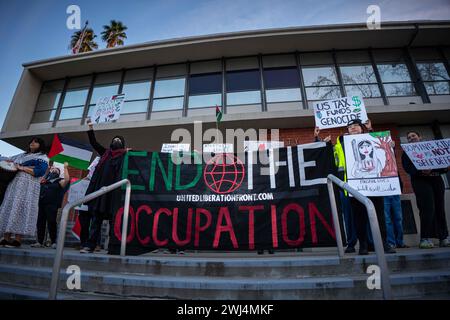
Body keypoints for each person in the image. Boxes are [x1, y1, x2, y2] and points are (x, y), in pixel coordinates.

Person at [315, 119, 395, 255]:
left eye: (356, 126)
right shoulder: (341, 142)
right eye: (350, 127)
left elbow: (383, 149)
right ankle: (362, 245)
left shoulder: (371, 138)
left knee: (379, 216)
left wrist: (371, 131)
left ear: (362, 128)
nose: (353, 128)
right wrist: (318, 139)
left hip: (375, 185)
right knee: (359, 217)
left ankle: (383, 243)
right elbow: (326, 154)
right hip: (353, 186)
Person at [80, 119, 129, 253]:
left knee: (114, 221)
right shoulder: (105, 153)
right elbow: (94, 143)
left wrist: (129, 153)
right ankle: (90, 245)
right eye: (115, 139)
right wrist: (90, 127)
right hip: (100, 193)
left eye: (119, 140)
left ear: (123, 145)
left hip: (114, 194)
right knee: (96, 221)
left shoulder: (125, 156)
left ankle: (113, 247)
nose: (116, 140)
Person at [401, 131, 450, 249]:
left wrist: (445, 167)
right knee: (427, 208)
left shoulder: (432, 149)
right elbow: (407, 168)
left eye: (413, 136)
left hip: (436, 180)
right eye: (409, 137)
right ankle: (424, 238)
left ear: (420, 137)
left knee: (440, 208)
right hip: (420, 181)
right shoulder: (406, 153)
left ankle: (444, 238)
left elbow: (442, 165)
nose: (411, 138)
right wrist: (421, 171)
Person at [0, 137, 48, 248]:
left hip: (28, 187)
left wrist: (21, 167)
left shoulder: (42, 157)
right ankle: (6, 238)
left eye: (36, 142)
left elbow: (39, 171)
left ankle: (17, 240)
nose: (32, 143)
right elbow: (7, 159)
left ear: (40, 145)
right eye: (31, 141)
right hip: (14, 185)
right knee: (10, 207)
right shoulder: (21, 155)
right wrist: (8, 161)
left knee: (21, 209)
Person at [31, 162, 70, 249]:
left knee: (51, 222)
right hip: (41, 203)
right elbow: (41, 178)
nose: (54, 170)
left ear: (59, 173)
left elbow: (67, 180)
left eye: (56, 170)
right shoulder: (44, 180)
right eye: (53, 169)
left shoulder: (59, 181)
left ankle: (53, 241)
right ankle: (39, 242)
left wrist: (65, 168)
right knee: (40, 222)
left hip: (52, 205)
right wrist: (48, 170)